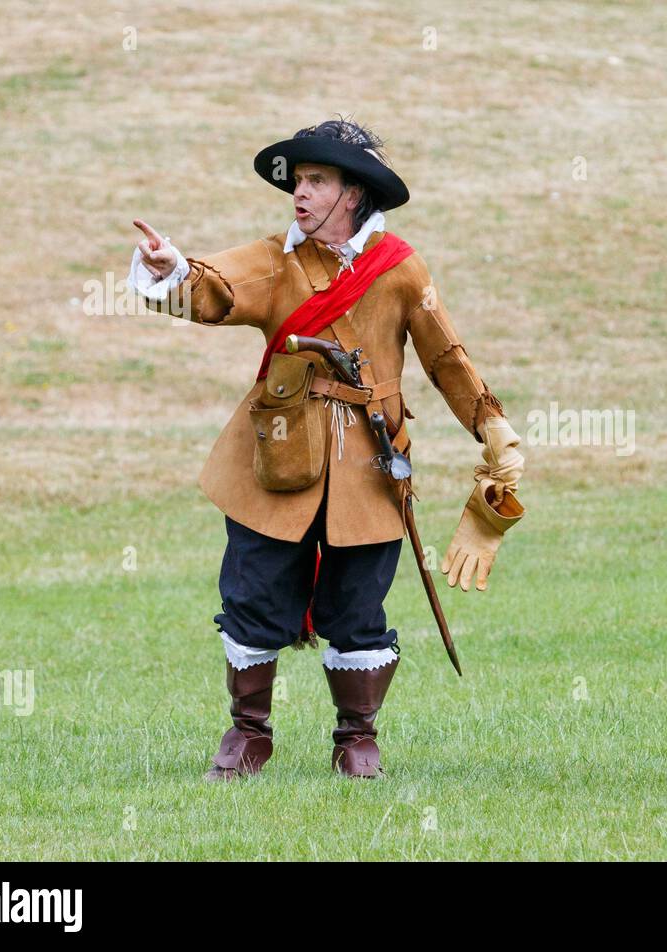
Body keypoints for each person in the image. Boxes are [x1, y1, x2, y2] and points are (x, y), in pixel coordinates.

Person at [128, 116, 525, 780]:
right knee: (252, 595)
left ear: (354, 193)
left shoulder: (401, 270)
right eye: (298, 181)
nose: (300, 193)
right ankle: (249, 735)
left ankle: (356, 739)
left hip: (372, 465)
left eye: (317, 180)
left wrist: (493, 430)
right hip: (276, 457)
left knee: (359, 606)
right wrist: (171, 269)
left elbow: (446, 359)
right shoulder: (274, 258)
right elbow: (212, 289)